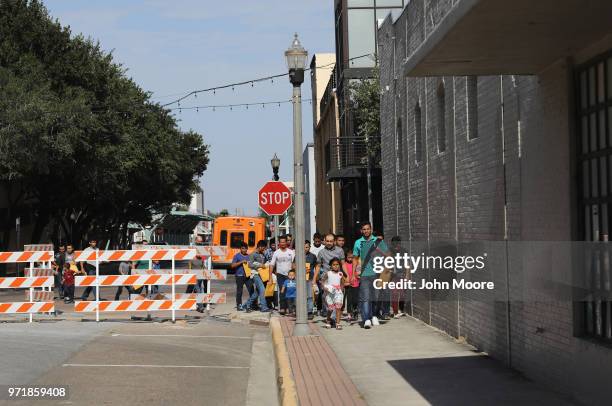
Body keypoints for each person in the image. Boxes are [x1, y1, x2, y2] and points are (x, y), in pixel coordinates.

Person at [353, 222, 389, 329]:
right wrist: (354, 273)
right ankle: (366, 319)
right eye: (364, 229)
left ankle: (374, 316)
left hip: (377, 273)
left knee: (376, 297)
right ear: (361, 231)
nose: (366, 231)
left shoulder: (378, 241)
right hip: (364, 274)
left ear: (371, 229)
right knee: (366, 298)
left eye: (368, 229)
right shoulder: (358, 242)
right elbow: (355, 258)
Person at [316, 233, 345, 317]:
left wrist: (347, 276)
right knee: (327, 298)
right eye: (327, 241)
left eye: (331, 241)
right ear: (324, 241)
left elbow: (343, 264)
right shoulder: (321, 252)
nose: (329, 243)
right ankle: (330, 316)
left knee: (337, 298)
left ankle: (333, 317)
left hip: (337, 279)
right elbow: (318, 266)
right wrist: (314, 279)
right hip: (326, 279)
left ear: (334, 241)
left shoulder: (340, 251)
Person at [270, 235, 295, 315]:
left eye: (284, 242)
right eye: (281, 242)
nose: (283, 243)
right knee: (282, 290)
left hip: (290, 276)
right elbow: (271, 265)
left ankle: (290, 308)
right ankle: (283, 308)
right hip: (280, 275)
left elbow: (294, 263)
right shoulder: (276, 253)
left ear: (286, 242)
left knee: (290, 291)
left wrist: (295, 274)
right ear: (279, 243)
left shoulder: (291, 252)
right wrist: (270, 277)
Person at [244, 240, 270, 313]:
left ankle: (247, 305)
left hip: (262, 275)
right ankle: (264, 307)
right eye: (264, 248)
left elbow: (265, 262)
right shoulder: (253, 254)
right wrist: (259, 265)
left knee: (257, 293)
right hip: (255, 274)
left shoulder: (263, 254)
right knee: (262, 290)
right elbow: (250, 265)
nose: (264, 249)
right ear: (260, 247)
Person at [321, 258, 346, 330]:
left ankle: (338, 323)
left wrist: (341, 290)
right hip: (329, 293)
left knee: (338, 308)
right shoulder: (328, 273)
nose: (336, 266)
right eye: (334, 265)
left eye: (337, 264)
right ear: (331, 266)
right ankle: (328, 321)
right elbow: (322, 281)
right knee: (330, 309)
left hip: (338, 293)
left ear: (339, 265)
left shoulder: (340, 273)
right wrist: (324, 287)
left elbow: (342, 283)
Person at [232, 242, 253, 310]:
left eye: (245, 248)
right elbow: (232, 265)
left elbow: (251, 265)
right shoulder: (237, 256)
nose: (244, 250)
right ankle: (239, 305)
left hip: (248, 276)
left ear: (247, 249)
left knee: (251, 290)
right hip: (239, 276)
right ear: (240, 249)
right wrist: (241, 262)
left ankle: (252, 304)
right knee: (239, 291)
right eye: (242, 248)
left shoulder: (249, 256)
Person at [343, 251, 359, 322]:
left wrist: (358, 276)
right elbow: (342, 275)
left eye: (352, 257)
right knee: (349, 300)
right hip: (348, 285)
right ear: (346, 257)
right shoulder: (344, 265)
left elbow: (359, 272)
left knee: (355, 300)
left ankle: (355, 311)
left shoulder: (356, 264)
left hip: (356, 284)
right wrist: (344, 282)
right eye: (349, 257)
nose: (350, 259)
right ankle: (349, 314)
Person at [303, 240, 318, 319]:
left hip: (310, 278)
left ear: (309, 247)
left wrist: (315, 278)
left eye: (307, 247)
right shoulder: (298, 256)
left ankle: (309, 311)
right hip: (300, 280)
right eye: (304, 247)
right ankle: (301, 311)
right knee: (301, 296)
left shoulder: (313, 256)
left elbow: (317, 267)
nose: (305, 249)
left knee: (309, 295)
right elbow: (293, 266)